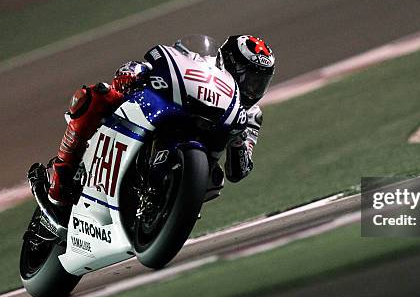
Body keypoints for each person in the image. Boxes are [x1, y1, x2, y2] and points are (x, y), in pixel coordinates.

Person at [46, 35, 275, 224]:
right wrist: (136, 70)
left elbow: (239, 171)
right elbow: (161, 62)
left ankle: (167, 209)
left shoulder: (251, 115)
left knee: (215, 180)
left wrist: (238, 140)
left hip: (196, 162)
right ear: (230, 63)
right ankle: (62, 173)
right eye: (250, 79)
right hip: (166, 113)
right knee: (96, 96)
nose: (253, 89)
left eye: (260, 82)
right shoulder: (202, 63)